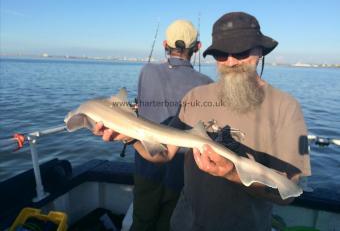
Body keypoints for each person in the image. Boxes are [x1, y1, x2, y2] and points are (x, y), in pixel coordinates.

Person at [96, 12, 311, 231]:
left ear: (260, 51)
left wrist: (233, 173)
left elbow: (289, 193)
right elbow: (163, 153)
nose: (231, 61)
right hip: (184, 223)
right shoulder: (196, 96)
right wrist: (130, 138)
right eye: (221, 54)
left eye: (242, 51)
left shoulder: (285, 107)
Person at [96, 19, 212, 231]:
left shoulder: (147, 71)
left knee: (141, 222)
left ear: (165, 45)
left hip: (146, 165)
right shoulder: (206, 83)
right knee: (169, 224)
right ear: (198, 47)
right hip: (182, 172)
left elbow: (140, 108)